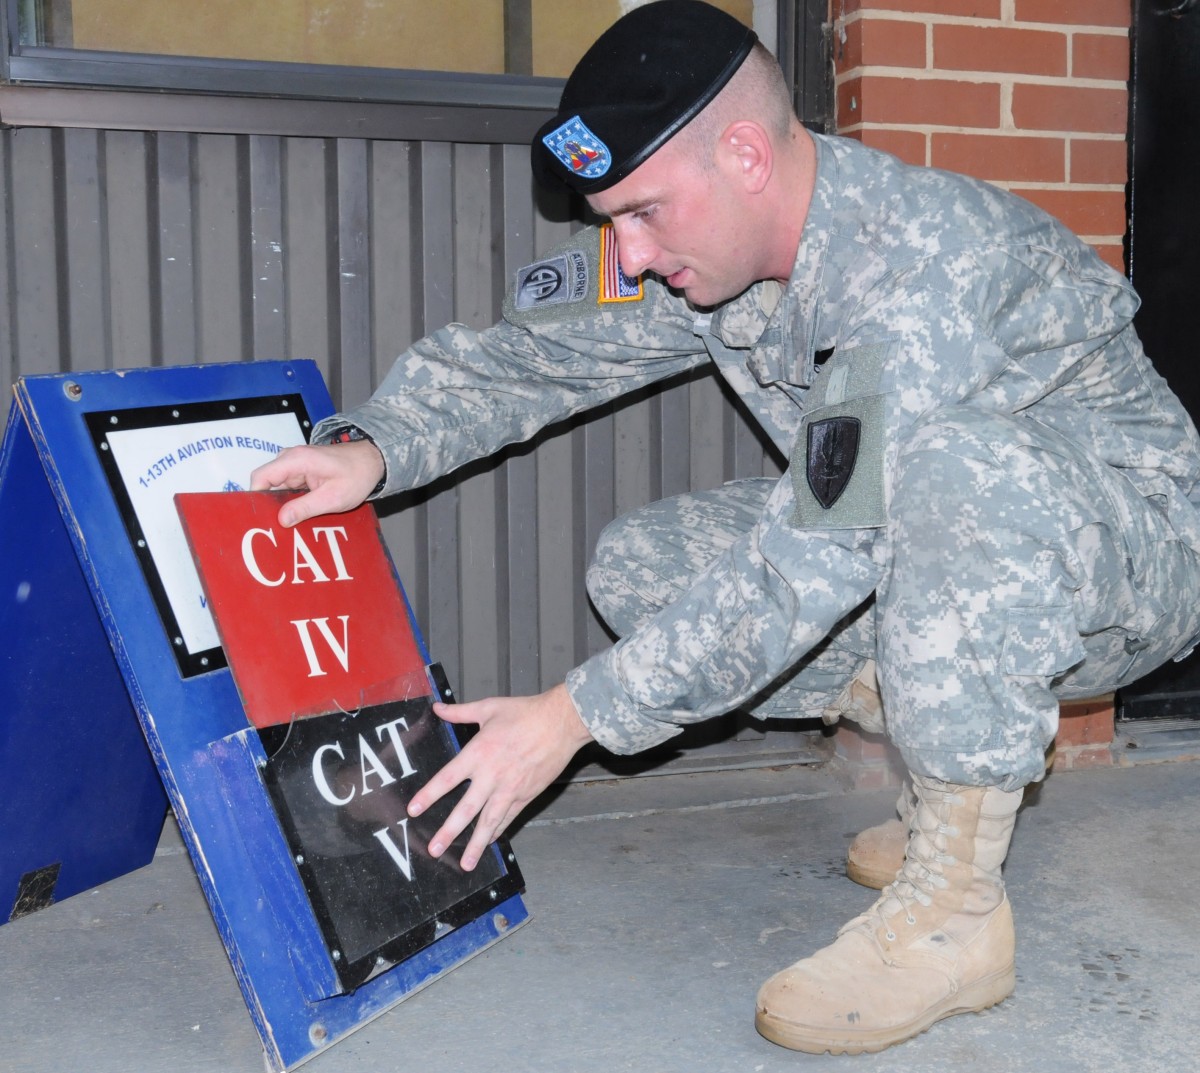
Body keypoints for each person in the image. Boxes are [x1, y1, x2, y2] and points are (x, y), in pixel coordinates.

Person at [250, 0, 1200, 1055]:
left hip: (1128, 558)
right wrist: (375, 443)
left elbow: (824, 546)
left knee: (931, 473)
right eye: (613, 218)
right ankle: (953, 781)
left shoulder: (926, 267)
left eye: (645, 214)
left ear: (745, 153)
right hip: (934, 531)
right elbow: (533, 352)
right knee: (647, 567)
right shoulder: (700, 243)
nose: (630, 252)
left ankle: (958, 912)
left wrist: (573, 714)